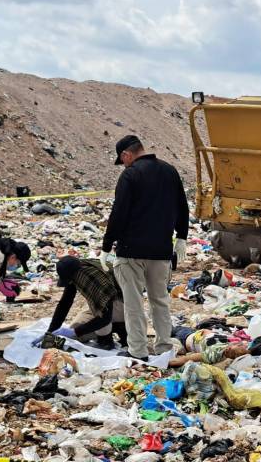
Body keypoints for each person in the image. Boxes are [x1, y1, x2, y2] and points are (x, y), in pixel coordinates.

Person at [100, 135, 189, 361]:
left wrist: (106, 245)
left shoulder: (130, 174)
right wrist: (182, 237)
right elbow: (182, 206)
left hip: (131, 251)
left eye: (123, 160)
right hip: (161, 251)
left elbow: (118, 213)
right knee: (160, 301)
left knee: (134, 304)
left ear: (126, 155)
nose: (124, 164)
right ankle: (163, 348)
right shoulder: (169, 171)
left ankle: (138, 351)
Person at [45, 256, 127, 351]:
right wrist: (51, 332)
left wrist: (75, 332)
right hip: (104, 306)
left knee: (85, 330)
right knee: (76, 331)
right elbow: (65, 303)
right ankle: (110, 329)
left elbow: (104, 318)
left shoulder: (93, 279)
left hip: (123, 305)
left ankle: (110, 335)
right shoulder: (76, 272)